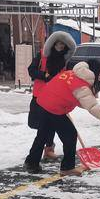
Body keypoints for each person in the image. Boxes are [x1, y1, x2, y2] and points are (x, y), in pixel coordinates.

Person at [24, 59, 100, 175]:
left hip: (43, 103)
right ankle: (67, 167)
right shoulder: (81, 85)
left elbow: (81, 100)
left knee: (42, 135)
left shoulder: (72, 73)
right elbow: (92, 106)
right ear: (94, 71)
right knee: (70, 135)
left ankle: (31, 162)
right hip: (54, 108)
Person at [27, 32, 77, 161]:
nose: (61, 46)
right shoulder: (42, 56)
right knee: (40, 126)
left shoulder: (65, 61)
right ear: (53, 44)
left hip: (55, 99)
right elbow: (31, 70)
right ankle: (41, 153)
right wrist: (45, 76)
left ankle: (47, 149)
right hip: (40, 96)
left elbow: (68, 78)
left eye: (63, 44)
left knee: (49, 126)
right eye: (59, 43)